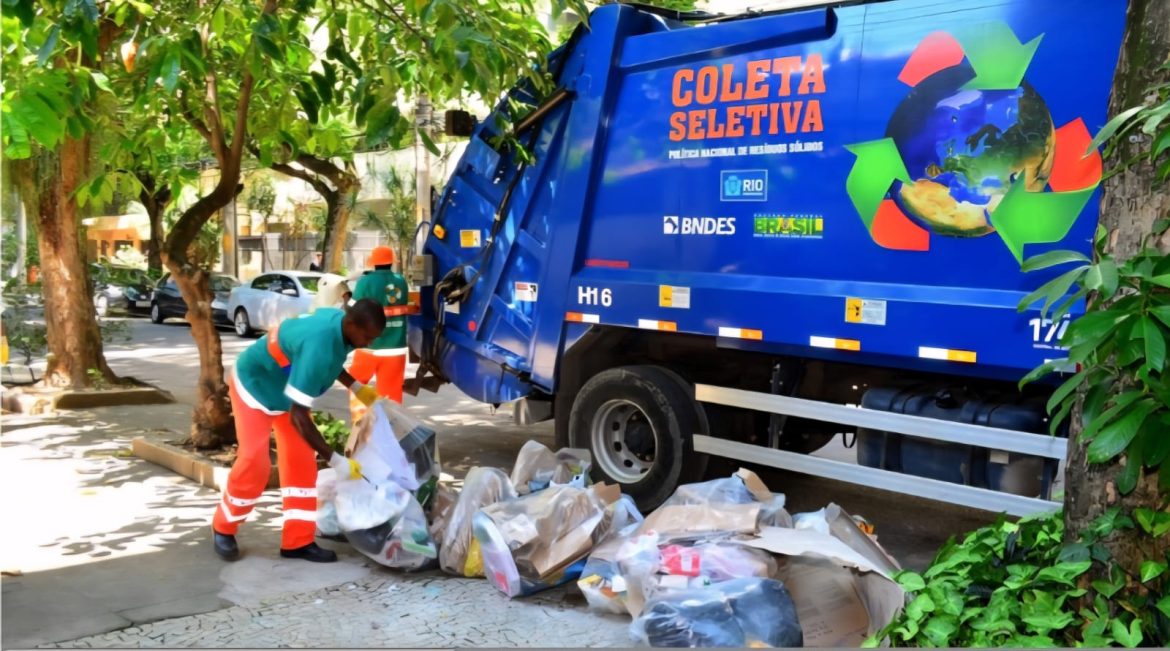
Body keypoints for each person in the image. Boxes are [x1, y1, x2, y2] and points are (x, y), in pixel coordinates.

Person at [211, 300, 386, 563]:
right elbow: (299, 417)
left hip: (286, 392)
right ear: (351, 324)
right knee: (254, 461)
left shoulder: (340, 326)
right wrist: (335, 459)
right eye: (367, 337)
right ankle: (224, 527)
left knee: (302, 462)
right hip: (255, 387)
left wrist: (356, 386)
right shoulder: (319, 344)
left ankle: (298, 542)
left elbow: (331, 362)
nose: (369, 343)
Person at [347, 246, 411, 424]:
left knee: (356, 384)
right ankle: (391, 431)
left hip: (370, 346)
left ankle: (361, 424)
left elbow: (353, 307)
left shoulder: (365, 282)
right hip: (395, 348)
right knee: (391, 393)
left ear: (373, 263)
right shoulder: (401, 281)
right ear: (392, 262)